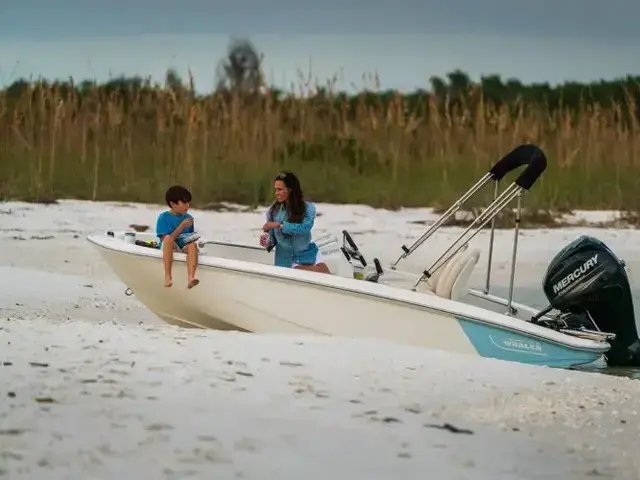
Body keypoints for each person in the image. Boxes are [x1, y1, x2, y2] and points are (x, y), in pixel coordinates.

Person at [260, 171, 331, 274]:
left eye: (280, 189)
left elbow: (304, 228)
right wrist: (266, 241)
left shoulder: (308, 208)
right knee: (305, 271)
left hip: (307, 257)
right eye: (276, 189)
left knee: (322, 270)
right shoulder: (272, 211)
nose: (276, 193)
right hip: (285, 264)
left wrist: (279, 225)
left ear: (290, 190)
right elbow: (272, 240)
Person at [156, 185, 200, 289]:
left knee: (193, 245)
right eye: (184, 203)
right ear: (173, 204)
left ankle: (191, 278)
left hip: (182, 245)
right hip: (167, 246)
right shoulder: (163, 217)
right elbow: (167, 240)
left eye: (188, 202)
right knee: (168, 239)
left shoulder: (188, 218)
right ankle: (168, 276)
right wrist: (181, 226)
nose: (187, 205)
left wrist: (193, 237)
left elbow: (188, 237)